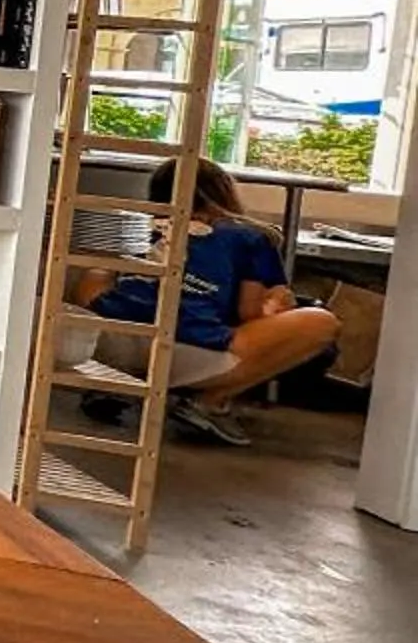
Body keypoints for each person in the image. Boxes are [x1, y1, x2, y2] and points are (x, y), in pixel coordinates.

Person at [85, 160, 337, 446]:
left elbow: (97, 275)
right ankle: (210, 402)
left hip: (103, 340)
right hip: (185, 346)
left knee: (98, 274)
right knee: (321, 322)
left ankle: (112, 383)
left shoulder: (138, 225)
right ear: (224, 193)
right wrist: (277, 305)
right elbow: (249, 311)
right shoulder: (250, 237)